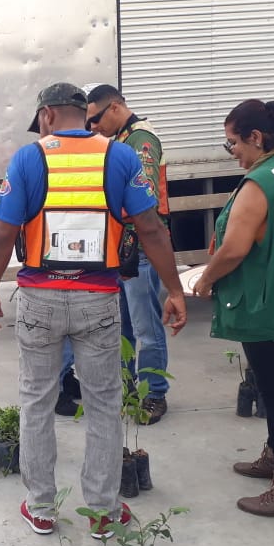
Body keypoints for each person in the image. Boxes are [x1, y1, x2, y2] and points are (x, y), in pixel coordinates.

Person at [0, 83, 186, 538]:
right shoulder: (119, 156)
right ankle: (103, 512)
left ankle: (41, 508)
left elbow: (1, 234)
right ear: (82, 112)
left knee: (36, 402)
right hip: (99, 299)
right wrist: (173, 288)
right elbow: (150, 228)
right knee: (103, 405)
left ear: (48, 115)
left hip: (39, 298)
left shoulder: (29, 158)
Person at [192, 99, 274, 519]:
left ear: (256, 137)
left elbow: (234, 249)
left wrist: (206, 278)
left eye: (233, 142)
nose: (231, 150)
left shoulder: (260, 182)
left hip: (269, 303)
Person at [84, 84, 172, 424]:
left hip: (140, 248)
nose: (92, 127)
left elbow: (143, 200)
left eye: (96, 119)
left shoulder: (141, 141)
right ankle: (127, 389)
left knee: (145, 325)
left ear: (116, 107)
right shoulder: (119, 140)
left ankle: (154, 394)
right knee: (121, 327)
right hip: (119, 248)